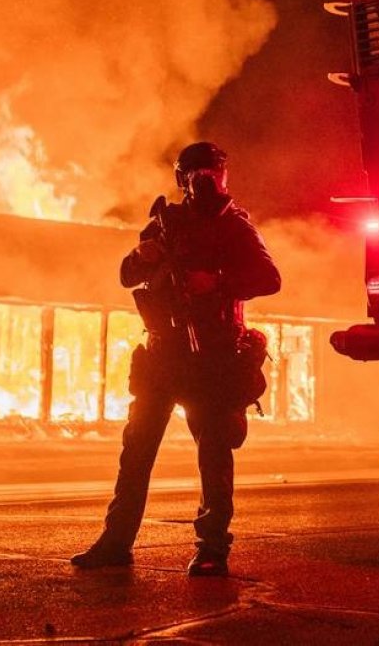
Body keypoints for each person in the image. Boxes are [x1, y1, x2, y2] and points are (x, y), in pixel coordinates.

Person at [70, 141, 281, 577]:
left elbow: (269, 278)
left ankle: (212, 548)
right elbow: (128, 276)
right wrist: (141, 257)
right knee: (137, 450)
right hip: (163, 352)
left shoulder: (235, 226)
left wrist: (218, 282)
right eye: (194, 172)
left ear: (223, 175)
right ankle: (116, 541)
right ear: (181, 178)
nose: (203, 179)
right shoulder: (167, 223)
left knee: (214, 454)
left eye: (211, 171)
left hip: (212, 353)